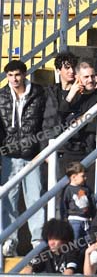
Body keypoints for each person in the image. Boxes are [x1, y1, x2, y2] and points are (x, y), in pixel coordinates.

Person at [0, 59, 46, 252]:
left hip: (32, 154)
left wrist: (44, 149)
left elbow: (47, 121)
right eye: (10, 75)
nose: (14, 79)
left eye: (17, 74)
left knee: (35, 199)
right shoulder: (1, 95)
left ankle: (38, 242)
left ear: (25, 74)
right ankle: (9, 241)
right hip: (9, 155)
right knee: (8, 200)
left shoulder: (39, 93)